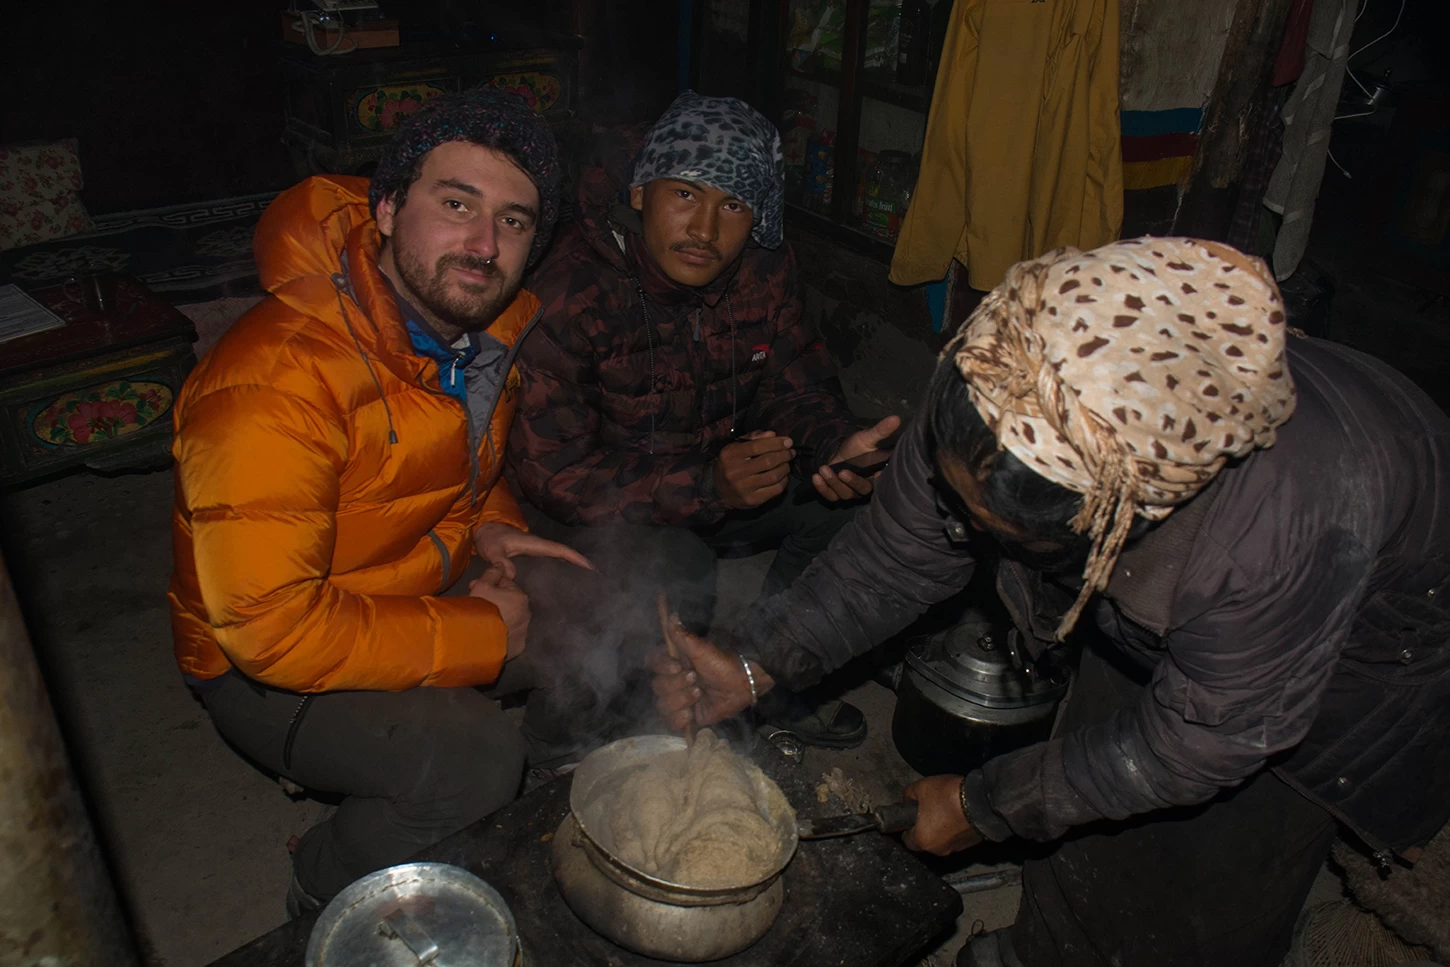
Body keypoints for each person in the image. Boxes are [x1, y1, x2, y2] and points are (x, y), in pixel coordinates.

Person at [651, 238, 1450, 967]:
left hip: (1354, 650)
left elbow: (1197, 741)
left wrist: (985, 804)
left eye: (994, 529)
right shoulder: (1006, 369)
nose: (961, 530)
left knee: (1187, 899)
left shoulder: (1276, 535)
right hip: (1188, 598)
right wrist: (759, 664)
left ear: (1114, 522)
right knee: (1090, 809)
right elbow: (901, 551)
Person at [167, 89, 591, 914]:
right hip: (256, 661)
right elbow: (269, 626)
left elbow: (466, 468)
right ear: (388, 209)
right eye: (456, 203)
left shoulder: (478, 332)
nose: (483, 243)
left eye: (514, 220)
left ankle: (535, 786)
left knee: (590, 602)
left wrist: (498, 530)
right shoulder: (273, 380)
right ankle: (321, 882)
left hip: (398, 579)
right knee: (469, 762)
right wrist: (477, 633)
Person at [507, 91, 899, 751]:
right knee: (675, 565)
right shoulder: (573, 289)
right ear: (640, 193)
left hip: (716, 472)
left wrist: (838, 442)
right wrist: (703, 488)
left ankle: (764, 679)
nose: (706, 231)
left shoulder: (763, 270)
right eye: (685, 194)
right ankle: (570, 745)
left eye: (733, 206)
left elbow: (794, 379)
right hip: (592, 510)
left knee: (848, 511)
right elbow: (554, 472)